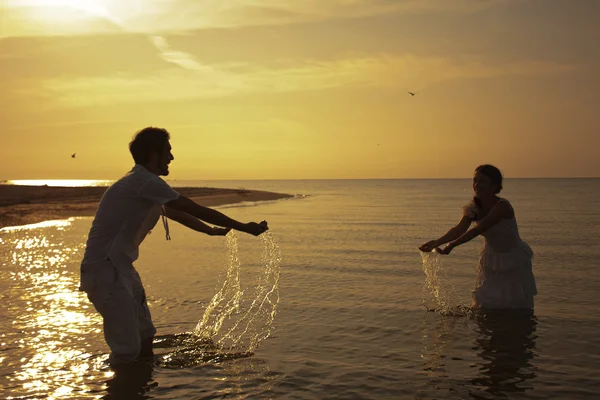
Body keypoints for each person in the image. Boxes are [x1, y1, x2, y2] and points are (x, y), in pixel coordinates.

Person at [78, 127, 269, 365]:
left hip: (121, 268)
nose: (172, 157)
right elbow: (192, 207)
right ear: (153, 154)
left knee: (146, 336)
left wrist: (208, 231)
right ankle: (120, 388)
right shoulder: (144, 181)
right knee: (127, 351)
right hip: (104, 271)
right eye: (167, 151)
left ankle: (143, 387)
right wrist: (244, 227)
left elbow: (174, 212)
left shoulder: (143, 184)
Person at [419, 164, 537, 311]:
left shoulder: (503, 206)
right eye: (475, 180)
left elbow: (478, 229)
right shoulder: (473, 208)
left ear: (494, 185)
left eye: (482, 181)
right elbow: (459, 229)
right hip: (491, 258)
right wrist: (437, 242)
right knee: (486, 303)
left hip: (512, 258)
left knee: (514, 304)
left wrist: (452, 246)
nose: (476, 185)